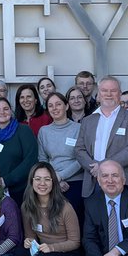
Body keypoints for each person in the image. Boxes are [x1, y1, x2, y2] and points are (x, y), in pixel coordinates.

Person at [15, 163, 83, 256]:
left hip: (66, 253)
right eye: (38, 179)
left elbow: (75, 242)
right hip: (43, 250)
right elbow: (31, 235)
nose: (42, 183)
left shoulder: (65, 207)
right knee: (21, 253)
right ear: (31, 181)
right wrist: (29, 241)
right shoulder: (27, 207)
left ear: (54, 182)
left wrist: (52, 248)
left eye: (47, 179)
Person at [76, 76, 128, 198]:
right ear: (98, 94)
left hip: (126, 182)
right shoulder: (87, 121)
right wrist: (94, 168)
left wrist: (103, 166)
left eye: (113, 90)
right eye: (104, 90)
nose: (108, 94)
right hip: (94, 182)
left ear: (120, 94)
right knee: (96, 217)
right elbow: (79, 149)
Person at [0, 97, 38, 205]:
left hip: (20, 191)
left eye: (5, 109)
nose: (2, 112)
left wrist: (6, 180)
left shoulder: (24, 131)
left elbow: (31, 160)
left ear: (11, 111)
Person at [37, 91, 83, 219]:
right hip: (51, 183)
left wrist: (61, 176)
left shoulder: (79, 128)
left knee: (74, 221)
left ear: (66, 106)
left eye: (58, 104)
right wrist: (54, 179)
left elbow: (82, 158)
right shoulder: (44, 131)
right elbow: (42, 159)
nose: (55, 108)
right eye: (51, 105)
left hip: (76, 182)